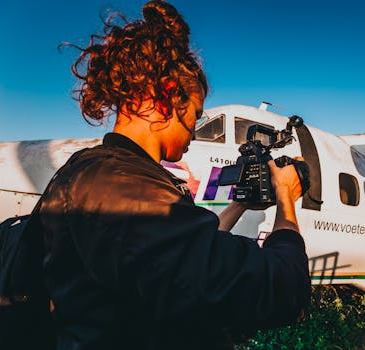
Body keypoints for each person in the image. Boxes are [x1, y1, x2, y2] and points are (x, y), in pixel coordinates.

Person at [39, 1, 310, 349]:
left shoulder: (98, 171)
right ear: (167, 98)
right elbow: (282, 291)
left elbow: (183, 252)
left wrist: (240, 204)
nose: (193, 132)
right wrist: (286, 198)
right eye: (195, 117)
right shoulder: (124, 190)